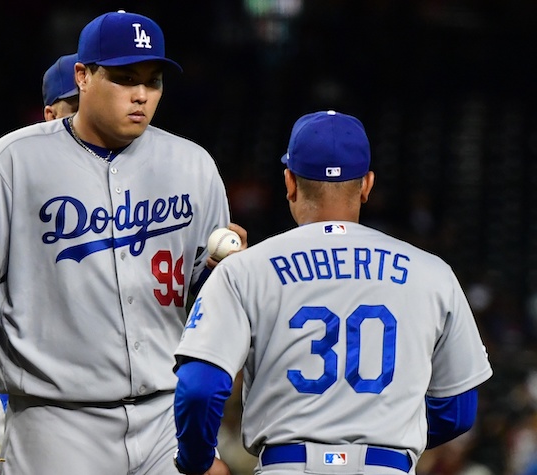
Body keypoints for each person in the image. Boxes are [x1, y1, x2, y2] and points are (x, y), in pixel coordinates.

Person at [0, 10, 243, 475]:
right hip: (55, 420)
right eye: (123, 78)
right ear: (83, 76)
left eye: (152, 81)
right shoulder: (13, 161)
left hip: (163, 415)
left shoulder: (193, 165)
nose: (140, 94)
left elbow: (198, 292)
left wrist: (215, 279)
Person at [172, 110, 493, 475]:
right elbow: (458, 409)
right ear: (367, 185)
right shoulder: (433, 272)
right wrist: (395, 438)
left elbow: (199, 389)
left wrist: (196, 462)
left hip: (287, 466)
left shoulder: (245, 269)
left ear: (290, 182)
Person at [0, 52, 80, 467]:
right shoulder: (14, 178)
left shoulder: (140, 190)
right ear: (48, 114)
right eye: (74, 105)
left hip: (138, 412)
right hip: (34, 411)